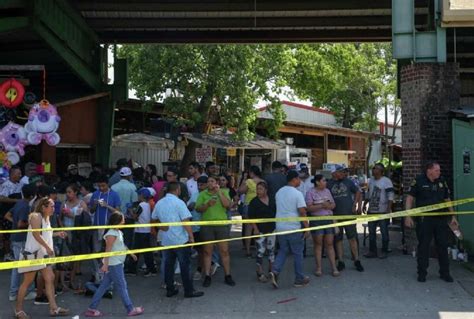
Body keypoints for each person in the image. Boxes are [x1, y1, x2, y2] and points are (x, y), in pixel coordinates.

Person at [15, 197, 69, 319]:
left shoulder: (47, 218)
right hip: (33, 254)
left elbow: (45, 233)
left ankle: (54, 308)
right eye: (52, 206)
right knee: (27, 282)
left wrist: (57, 234)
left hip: (42, 254)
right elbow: (36, 234)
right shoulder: (36, 216)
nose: (54, 208)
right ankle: (18, 310)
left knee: (50, 278)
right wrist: (48, 248)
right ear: (44, 207)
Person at [405, 161, 457, 283]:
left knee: (443, 246)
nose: (439, 172)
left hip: (440, 219)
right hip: (425, 220)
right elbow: (410, 198)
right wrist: (408, 215)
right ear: (429, 170)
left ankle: (445, 273)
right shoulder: (419, 180)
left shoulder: (441, 181)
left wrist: (453, 216)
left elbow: (447, 199)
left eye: (439, 170)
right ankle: (422, 273)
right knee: (424, 246)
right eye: (437, 170)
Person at [85, 213, 144, 317]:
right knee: (122, 286)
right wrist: (105, 265)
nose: (124, 222)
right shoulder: (111, 234)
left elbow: (121, 245)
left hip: (116, 263)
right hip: (114, 264)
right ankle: (130, 309)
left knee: (103, 286)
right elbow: (108, 250)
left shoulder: (118, 232)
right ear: (117, 221)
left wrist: (130, 252)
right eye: (122, 220)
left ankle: (91, 308)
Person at [152, 182, 204, 298]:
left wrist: (161, 227)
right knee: (185, 265)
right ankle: (189, 290)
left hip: (166, 240)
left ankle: (170, 289)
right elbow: (185, 221)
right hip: (180, 239)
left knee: (169, 266)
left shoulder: (160, 203)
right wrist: (191, 237)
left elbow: (153, 218)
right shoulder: (179, 203)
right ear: (177, 190)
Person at [269, 170, 310, 289]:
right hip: (293, 227)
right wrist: (307, 228)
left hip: (281, 227)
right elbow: (302, 212)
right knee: (298, 253)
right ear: (294, 179)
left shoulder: (279, 192)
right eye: (299, 179)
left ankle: (275, 270)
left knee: (283, 250)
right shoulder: (297, 194)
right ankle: (299, 278)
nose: (300, 181)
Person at [196, 175, 235, 287]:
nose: (210, 183)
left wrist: (219, 193)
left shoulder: (223, 192)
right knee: (207, 251)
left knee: (224, 251)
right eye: (208, 181)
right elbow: (198, 209)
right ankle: (207, 275)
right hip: (207, 225)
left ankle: (228, 275)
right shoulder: (203, 194)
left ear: (217, 183)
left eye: (212, 181)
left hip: (221, 225)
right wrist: (207, 204)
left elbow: (227, 205)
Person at [327, 165, 364, 272]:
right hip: (335, 216)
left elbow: (358, 191)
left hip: (348, 214)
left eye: (343, 172)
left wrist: (355, 205)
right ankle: (341, 261)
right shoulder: (329, 184)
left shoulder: (348, 182)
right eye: (341, 172)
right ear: (335, 173)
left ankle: (356, 260)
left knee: (352, 238)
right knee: (338, 239)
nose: (343, 173)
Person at [6, 184, 38, 301]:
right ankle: (26, 291)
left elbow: (7, 215)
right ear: (32, 195)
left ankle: (13, 293)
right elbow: (21, 224)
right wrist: (32, 224)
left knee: (17, 266)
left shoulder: (19, 203)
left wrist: (15, 223)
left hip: (15, 238)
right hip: (22, 239)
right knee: (27, 265)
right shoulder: (25, 206)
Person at [305, 174, 339, 277]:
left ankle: (334, 268)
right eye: (324, 180)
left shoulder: (327, 191)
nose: (325, 182)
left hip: (328, 220)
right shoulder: (310, 192)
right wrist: (321, 206)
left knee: (329, 244)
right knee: (318, 244)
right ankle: (319, 268)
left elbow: (333, 205)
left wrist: (328, 206)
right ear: (317, 182)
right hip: (316, 220)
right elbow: (308, 208)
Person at [89, 175, 121, 280]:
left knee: (108, 250)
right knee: (96, 250)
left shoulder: (114, 195)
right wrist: (94, 205)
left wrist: (107, 205)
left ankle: (109, 273)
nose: (101, 188)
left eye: (103, 186)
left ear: (108, 184)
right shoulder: (95, 194)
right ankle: (97, 272)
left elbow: (118, 211)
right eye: (99, 186)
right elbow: (91, 211)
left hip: (109, 228)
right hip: (97, 227)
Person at [363, 163, 394, 259]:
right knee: (371, 232)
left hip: (382, 210)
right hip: (372, 211)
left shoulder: (386, 181)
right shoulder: (371, 181)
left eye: (375, 168)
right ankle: (372, 251)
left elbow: (391, 196)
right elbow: (369, 194)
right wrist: (365, 204)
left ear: (381, 171)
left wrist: (388, 209)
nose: (373, 170)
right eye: (373, 168)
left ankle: (384, 251)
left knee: (384, 232)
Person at [61, 184, 90, 287]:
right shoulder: (64, 204)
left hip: (77, 233)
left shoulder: (81, 204)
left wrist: (72, 215)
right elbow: (59, 218)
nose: (68, 194)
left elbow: (86, 219)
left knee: (75, 256)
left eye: (70, 192)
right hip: (65, 232)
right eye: (67, 192)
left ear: (75, 192)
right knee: (64, 256)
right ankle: (63, 280)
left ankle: (72, 279)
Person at [248, 182, 276, 283]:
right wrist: (255, 229)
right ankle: (259, 272)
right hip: (260, 230)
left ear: (265, 190)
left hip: (272, 229)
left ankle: (271, 271)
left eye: (260, 189)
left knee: (271, 250)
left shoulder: (272, 199)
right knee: (260, 251)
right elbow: (251, 217)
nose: (258, 191)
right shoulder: (254, 202)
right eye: (257, 189)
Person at [128, 188, 157, 277]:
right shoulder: (148, 205)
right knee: (144, 251)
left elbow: (135, 217)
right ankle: (134, 269)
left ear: (141, 196)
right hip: (145, 230)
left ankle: (149, 269)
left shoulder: (141, 205)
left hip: (141, 231)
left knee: (141, 251)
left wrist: (129, 210)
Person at [238, 165, 264, 257]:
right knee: (259, 228)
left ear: (252, 173)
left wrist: (244, 179)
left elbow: (240, 190)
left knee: (248, 229)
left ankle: (248, 250)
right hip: (260, 205)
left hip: (249, 204)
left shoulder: (249, 181)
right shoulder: (262, 182)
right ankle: (259, 249)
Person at [187, 176, 208, 281]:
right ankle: (209, 265)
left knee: (204, 250)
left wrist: (200, 206)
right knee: (199, 249)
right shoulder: (195, 194)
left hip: (205, 226)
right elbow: (188, 207)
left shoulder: (210, 195)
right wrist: (190, 206)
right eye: (198, 185)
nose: (200, 187)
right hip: (195, 226)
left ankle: (201, 270)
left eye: (202, 185)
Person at [112, 167, 138, 250]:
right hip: (128, 217)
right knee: (127, 239)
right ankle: (126, 259)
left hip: (116, 217)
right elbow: (134, 202)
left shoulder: (113, 187)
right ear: (129, 176)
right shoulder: (132, 187)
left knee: (116, 239)